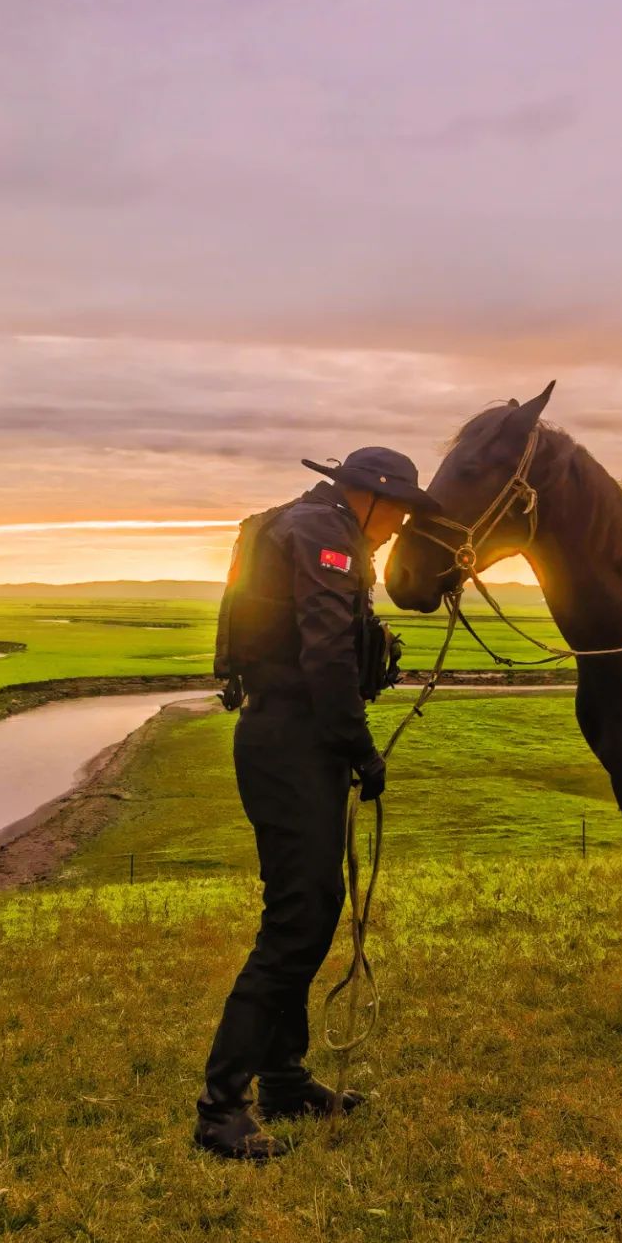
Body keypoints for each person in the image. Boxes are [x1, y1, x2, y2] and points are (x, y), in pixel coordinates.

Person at [195, 446, 439, 1163]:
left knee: (310, 905)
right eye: (396, 510)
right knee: (298, 920)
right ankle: (221, 1108)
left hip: (286, 738)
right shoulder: (327, 537)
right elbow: (328, 656)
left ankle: (284, 1079)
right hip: (294, 743)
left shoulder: (309, 525)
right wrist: (360, 749)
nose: (397, 526)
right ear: (368, 497)